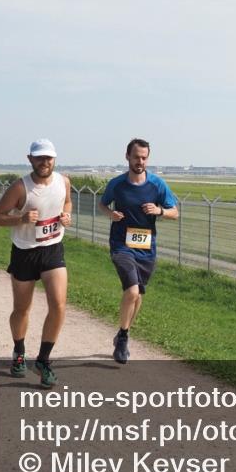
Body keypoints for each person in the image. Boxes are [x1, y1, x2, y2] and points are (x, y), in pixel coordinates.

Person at [0, 140, 72, 389]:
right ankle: (18, 351)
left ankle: (44, 361)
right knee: (21, 309)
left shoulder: (63, 181)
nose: (44, 162)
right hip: (24, 252)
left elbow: (66, 201)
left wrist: (66, 215)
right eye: (39, 158)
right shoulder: (20, 187)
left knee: (58, 305)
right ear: (30, 159)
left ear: (55, 159)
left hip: (52, 249)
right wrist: (20, 218)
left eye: (48, 158)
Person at [97, 138, 178, 364]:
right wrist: (110, 214)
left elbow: (175, 212)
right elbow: (103, 204)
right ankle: (123, 338)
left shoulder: (157, 185)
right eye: (136, 157)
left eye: (144, 157)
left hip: (146, 248)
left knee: (138, 295)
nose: (140, 161)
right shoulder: (117, 184)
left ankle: (124, 332)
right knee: (131, 291)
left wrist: (160, 211)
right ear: (127, 157)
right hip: (121, 244)